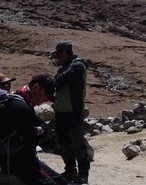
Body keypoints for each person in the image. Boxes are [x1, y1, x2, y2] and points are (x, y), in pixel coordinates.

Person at [50, 41, 89, 184]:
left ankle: (83, 174)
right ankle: (70, 170)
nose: (57, 58)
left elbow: (60, 81)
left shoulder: (78, 66)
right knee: (64, 143)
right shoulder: (66, 67)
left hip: (73, 111)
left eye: (59, 54)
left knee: (77, 143)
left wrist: (55, 79)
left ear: (65, 52)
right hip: (61, 111)